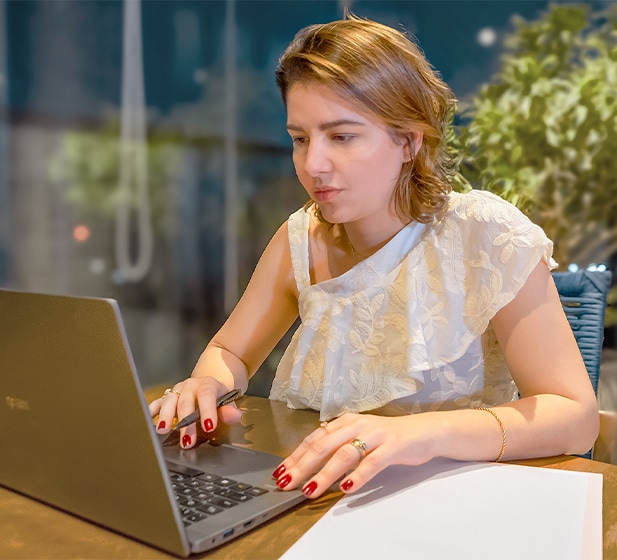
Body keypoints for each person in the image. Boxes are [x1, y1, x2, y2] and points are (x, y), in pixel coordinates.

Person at [149, 15, 599, 500]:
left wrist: (424, 433)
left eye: (341, 137)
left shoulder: (484, 235)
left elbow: (574, 416)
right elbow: (230, 353)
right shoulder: (300, 239)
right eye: (300, 139)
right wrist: (207, 385)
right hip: (322, 496)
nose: (312, 164)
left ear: (409, 140)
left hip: (457, 503)